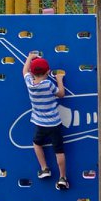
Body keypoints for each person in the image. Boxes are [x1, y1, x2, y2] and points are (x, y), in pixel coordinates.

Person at [24, 53, 70, 190]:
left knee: (37, 144)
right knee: (59, 151)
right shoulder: (49, 84)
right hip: (54, 123)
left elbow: (24, 71)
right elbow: (61, 94)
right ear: (48, 72)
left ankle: (44, 168)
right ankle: (62, 177)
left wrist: (29, 57)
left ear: (32, 72)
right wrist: (59, 79)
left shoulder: (30, 84)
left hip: (40, 124)